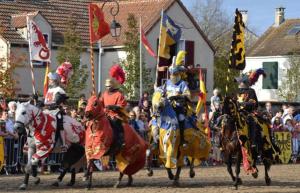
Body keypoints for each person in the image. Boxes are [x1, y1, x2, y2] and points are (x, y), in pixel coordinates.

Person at [165, 51, 191, 147]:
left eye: (175, 74)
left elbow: (188, 95)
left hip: (178, 106)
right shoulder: (167, 83)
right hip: (167, 106)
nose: (173, 76)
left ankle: (182, 139)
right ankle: (155, 138)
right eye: (171, 74)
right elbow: (162, 92)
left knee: (181, 117)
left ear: (178, 74)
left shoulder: (182, 84)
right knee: (157, 117)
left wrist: (179, 96)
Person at [234, 69, 264, 148]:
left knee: (252, 121)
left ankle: (253, 141)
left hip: (247, 112)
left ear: (244, 83)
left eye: (240, 82)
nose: (238, 83)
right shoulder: (236, 91)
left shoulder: (251, 91)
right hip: (237, 112)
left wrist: (243, 104)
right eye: (239, 82)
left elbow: (254, 102)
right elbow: (233, 101)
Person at [100, 65, 127, 149]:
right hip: (105, 115)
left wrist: (113, 107)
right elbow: (100, 103)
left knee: (115, 122)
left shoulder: (118, 95)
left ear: (113, 86)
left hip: (115, 115)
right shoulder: (104, 94)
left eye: (109, 86)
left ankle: (121, 140)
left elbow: (121, 106)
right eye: (107, 86)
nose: (108, 88)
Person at [44, 72, 68, 151]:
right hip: (47, 111)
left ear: (54, 80)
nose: (49, 81)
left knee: (60, 125)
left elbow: (58, 101)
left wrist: (55, 103)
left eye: (50, 80)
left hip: (55, 111)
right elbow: (46, 101)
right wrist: (38, 101)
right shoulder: (49, 89)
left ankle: (63, 144)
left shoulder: (59, 90)